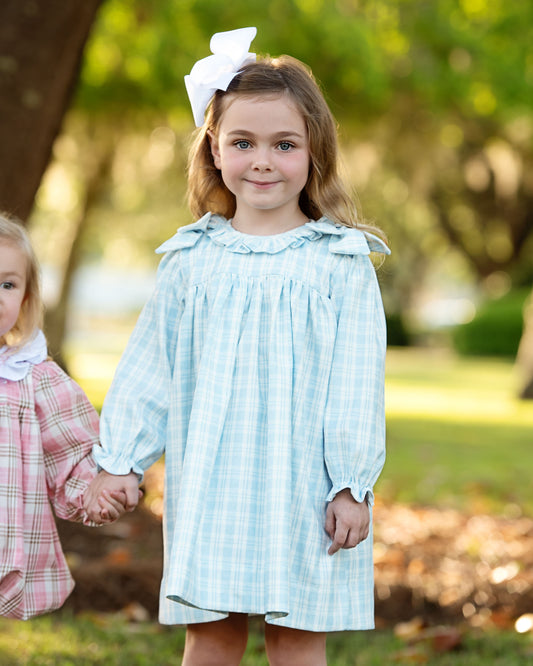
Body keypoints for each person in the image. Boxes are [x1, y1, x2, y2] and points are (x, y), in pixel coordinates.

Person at [84, 27, 390, 665]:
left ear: (314, 152)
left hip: (305, 482)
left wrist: (350, 483)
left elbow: (357, 381)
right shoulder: (191, 259)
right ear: (214, 150)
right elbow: (152, 368)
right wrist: (124, 458)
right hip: (213, 480)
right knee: (213, 633)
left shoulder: (340, 261)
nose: (262, 161)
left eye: (285, 144)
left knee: (298, 633)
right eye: (242, 142)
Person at [0, 214, 127, 620]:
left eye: (8, 284)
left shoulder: (33, 376)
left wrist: (95, 493)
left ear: (25, 297)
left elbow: (70, 455)